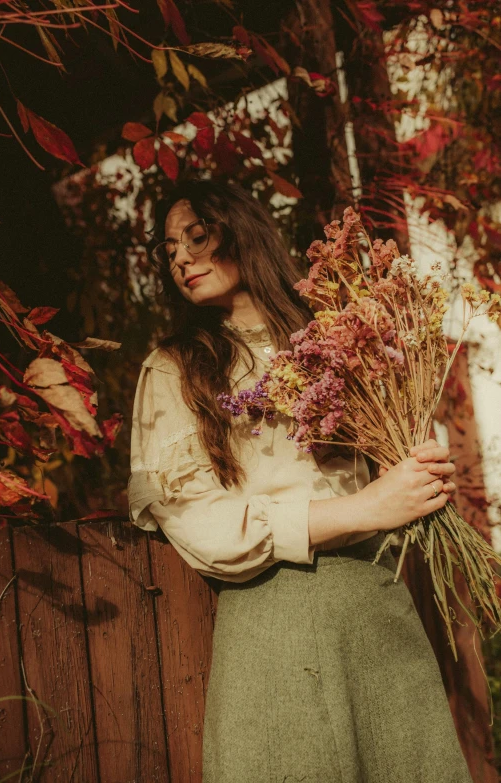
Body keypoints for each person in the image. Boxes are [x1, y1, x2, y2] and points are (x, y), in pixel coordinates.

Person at [128, 179, 472, 783]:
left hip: (379, 611)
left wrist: (417, 474)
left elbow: (391, 473)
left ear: (241, 230)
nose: (181, 256)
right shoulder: (175, 369)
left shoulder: (345, 342)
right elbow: (203, 527)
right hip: (275, 622)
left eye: (197, 236)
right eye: (169, 248)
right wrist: (365, 509)